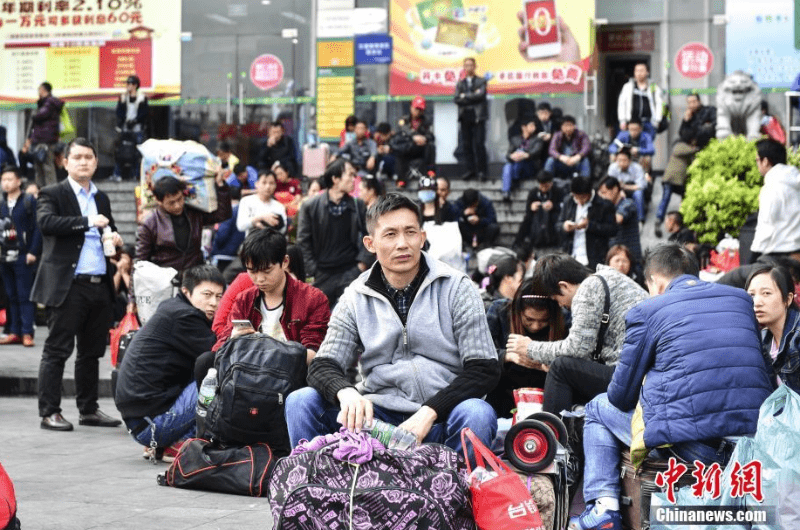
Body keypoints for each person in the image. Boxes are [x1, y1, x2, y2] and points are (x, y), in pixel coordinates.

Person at [571, 244, 772, 530]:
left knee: (597, 407)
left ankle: (604, 508)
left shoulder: (648, 310)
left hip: (699, 450)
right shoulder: (739, 300)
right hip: (751, 447)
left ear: (656, 282)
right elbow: (760, 372)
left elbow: (620, 396)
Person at [285, 193, 501, 451]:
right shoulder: (356, 296)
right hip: (376, 423)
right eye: (390, 234)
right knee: (301, 401)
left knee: (477, 412)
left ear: (422, 237)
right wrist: (346, 392)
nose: (402, 244)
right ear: (370, 243)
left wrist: (430, 410)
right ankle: (316, 487)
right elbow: (323, 365)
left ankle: (460, 489)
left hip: (442, 418)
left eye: (410, 232)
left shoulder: (457, 287)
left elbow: (484, 368)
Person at [32, 138, 124, 431]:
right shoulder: (52, 193)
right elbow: (47, 224)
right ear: (66, 162)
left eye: (89, 157)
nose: (84, 162)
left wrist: (118, 240)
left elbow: (108, 229)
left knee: (91, 352)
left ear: (96, 163)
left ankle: (89, 409)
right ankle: (49, 411)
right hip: (67, 285)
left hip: (99, 283)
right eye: (78, 157)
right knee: (57, 349)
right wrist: (86, 221)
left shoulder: (102, 197)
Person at [115, 265, 224, 460]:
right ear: (186, 291)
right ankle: (179, 444)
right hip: (152, 424)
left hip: (142, 423)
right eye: (206, 294)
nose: (213, 303)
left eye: (219, 296)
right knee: (217, 376)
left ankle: (166, 443)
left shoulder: (172, 307)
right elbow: (221, 354)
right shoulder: (185, 317)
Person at [520, 253, 647, 415]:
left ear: (564, 286)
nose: (560, 304)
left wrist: (529, 348)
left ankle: (553, 434)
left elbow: (577, 348)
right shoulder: (608, 277)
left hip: (631, 379)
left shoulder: (588, 288)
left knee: (561, 367)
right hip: (641, 375)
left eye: (556, 298)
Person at [211, 228, 330, 360]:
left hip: (291, 372)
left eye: (267, 271)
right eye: (252, 271)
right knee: (206, 361)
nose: (259, 279)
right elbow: (221, 344)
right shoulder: (244, 299)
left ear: (285, 262)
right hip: (249, 369)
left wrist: (264, 347)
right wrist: (232, 339)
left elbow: (313, 353)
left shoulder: (313, 299)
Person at [486, 279, 566, 418]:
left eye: (543, 321)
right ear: (518, 310)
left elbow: (573, 359)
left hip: (546, 393)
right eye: (529, 320)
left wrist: (546, 363)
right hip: (502, 391)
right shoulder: (499, 311)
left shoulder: (564, 318)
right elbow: (480, 354)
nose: (535, 326)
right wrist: (507, 356)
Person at [296, 159, 372, 306]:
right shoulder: (310, 206)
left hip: (351, 272)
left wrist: (361, 266)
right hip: (322, 275)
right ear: (335, 179)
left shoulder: (358, 205)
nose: (353, 179)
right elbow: (303, 242)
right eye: (349, 175)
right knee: (321, 321)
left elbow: (370, 236)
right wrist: (314, 270)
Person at [136, 174, 232, 273]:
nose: (177, 205)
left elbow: (223, 215)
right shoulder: (150, 223)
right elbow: (140, 261)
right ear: (159, 201)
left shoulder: (194, 213)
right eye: (171, 203)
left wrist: (221, 185)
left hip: (194, 275)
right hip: (164, 280)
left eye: (179, 199)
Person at [655, 93, 716, 237]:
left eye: (694, 101)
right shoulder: (682, 143)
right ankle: (664, 220)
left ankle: (687, 221)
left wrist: (697, 131)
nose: (692, 104)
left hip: (702, 160)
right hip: (677, 176)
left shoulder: (709, 111)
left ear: (699, 101)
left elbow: (711, 130)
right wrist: (686, 121)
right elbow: (684, 135)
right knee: (671, 196)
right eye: (689, 102)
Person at [0, 166, 41, 347]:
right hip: (3, 256)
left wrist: (33, 251)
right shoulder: (1, 203)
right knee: (11, 295)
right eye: (3, 180)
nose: (6, 183)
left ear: (18, 181)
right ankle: (14, 331)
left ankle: (27, 332)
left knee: (24, 295)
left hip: (23, 256)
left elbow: (38, 228)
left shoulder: (28, 201)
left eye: (10, 179)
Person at [746, 265, 800, 393]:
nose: (757, 302)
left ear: (788, 299)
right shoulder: (763, 338)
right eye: (752, 295)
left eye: (766, 293)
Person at [750, 138, 800, 263]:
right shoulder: (795, 181)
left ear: (765, 161)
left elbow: (766, 225)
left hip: (777, 255)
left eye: (757, 160)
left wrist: (752, 258)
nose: (757, 165)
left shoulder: (771, 187)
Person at [557, 177, 617, 270]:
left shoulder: (605, 205)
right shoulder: (568, 201)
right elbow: (558, 224)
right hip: (571, 255)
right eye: (576, 197)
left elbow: (613, 230)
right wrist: (564, 227)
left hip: (594, 257)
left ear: (590, 192)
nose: (579, 201)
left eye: (582, 197)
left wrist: (590, 225)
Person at [513, 171, 564, 260]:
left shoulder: (558, 191)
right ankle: (518, 243)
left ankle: (555, 241)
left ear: (551, 183)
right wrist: (531, 207)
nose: (543, 188)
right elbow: (528, 210)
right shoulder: (533, 192)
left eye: (546, 186)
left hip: (552, 218)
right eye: (541, 186)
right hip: (537, 219)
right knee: (527, 219)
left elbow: (563, 208)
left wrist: (553, 206)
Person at [454, 58, 488, 181]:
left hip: (478, 116)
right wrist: (472, 96)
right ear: (464, 67)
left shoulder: (481, 81)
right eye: (466, 65)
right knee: (466, 145)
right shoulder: (460, 83)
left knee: (479, 144)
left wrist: (465, 96)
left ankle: (482, 171)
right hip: (465, 116)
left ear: (475, 66)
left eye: (471, 65)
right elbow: (457, 99)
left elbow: (481, 95)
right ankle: (470, 170)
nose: (468, 67)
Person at [26, 82, 64, 189]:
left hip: (45, 140)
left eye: (39, 89)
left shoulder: (49, 102)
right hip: (42, 139)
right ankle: (41, 189)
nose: (38, 92)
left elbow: (40, 115)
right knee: (39, 165)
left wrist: (34, 113)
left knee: (47, 165)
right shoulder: (47, 102)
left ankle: (51, 190)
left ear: (43, 90)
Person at [597, 176, 642, 264]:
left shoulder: (628, 203)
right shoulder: (609, 207)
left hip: (630, 259)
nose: (602, 197)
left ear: (615, 189)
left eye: (604, 193)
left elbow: (618, 219)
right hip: (615, 258)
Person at [112, 75, 148, 181]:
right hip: (125, 128)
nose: (128, 86)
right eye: (127, 84)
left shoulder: (142, 97)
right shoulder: (124, 97)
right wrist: (122, 103)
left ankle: (136, 174)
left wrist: (136, 121)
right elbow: (119, 112)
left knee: (137, 153)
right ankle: (117, 174)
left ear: (135, 85)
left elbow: (144, 113)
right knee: (121, 151)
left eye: (130, 84)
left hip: (137, 129)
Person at [501, 117, 544, 202]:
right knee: (507, 166)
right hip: (515, 166)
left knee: (520, 154)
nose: (533, 127)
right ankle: (506, 192)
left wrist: (525, 154)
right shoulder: (515, 139)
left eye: (534, 126)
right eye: (531, 125)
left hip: (529, 167)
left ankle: (513, 180)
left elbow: (536, 151)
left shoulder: (537, 139)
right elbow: (508, 154)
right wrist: (512, 156)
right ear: (523, 127)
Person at [616, 62, 664, 137]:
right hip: (631, 123)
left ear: (647, 72)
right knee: (632, 146)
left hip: (649, 123)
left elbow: (659, 104)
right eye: (637, 71)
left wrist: (657, 121)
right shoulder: (628, 87)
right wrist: (622, 120)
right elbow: (622, 104)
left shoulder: (654, 87)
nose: (639, 73)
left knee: (647, 146)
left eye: (641, 70)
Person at [236, 170, 288, 236]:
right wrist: (260, 218)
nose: (268, 186)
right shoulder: (246, 201)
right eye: (264, 183)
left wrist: (271, 226)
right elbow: (240, 226)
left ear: (275, 185)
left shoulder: (279, 206)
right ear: (257, 184)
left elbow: (283, 230)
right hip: (252, 244)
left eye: (271, 183)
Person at [606, 148, 647, 228]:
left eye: (624, 160)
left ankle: (640, 219)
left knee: (639, 194)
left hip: (633, 189)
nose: (621, 163)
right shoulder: (612, 168)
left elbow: (642, 185)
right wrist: (619, 190)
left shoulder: (637, 168)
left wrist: (625, 187)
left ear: (630, 160)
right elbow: (610, 184)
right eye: (619, 160)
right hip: (619, 189)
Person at [545, 115, 591, 182]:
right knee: (550, 160)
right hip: (562, 162)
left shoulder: (581, 134)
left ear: (574, 126)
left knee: (585, 160)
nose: (568, 128)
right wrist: (561, 157)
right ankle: (546, 182)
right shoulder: (557, 135)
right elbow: (551, 150)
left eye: (570, 125)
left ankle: (585, 183)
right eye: (565, 126)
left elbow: (587, 147)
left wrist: (577, 157)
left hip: (576, 162)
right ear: (561, 127)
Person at [210, 187, 245, 273]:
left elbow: (223, 232)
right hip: (236, 253)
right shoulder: (242, 209)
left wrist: (216, 244)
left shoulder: (229, 211)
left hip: (223, 252)